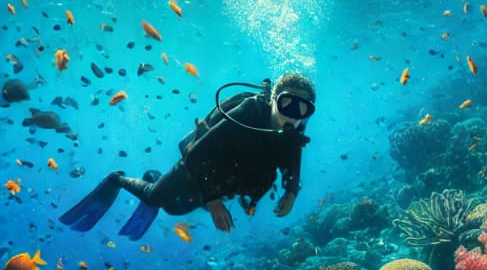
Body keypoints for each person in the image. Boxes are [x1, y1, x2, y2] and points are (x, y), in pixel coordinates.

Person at [59, 72, 315, 239]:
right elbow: (197, 153)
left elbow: (294, 159)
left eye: (303, 109)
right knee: (157, 197)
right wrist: (214, 202)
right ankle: (117, 178)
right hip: (198, 164)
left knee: (174, 209)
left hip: (223, 178)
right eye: (287, 104)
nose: (293, 114)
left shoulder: (292, 131)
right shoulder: (247, 112)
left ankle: (155, 177)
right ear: (273, 101)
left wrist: (291, 191)